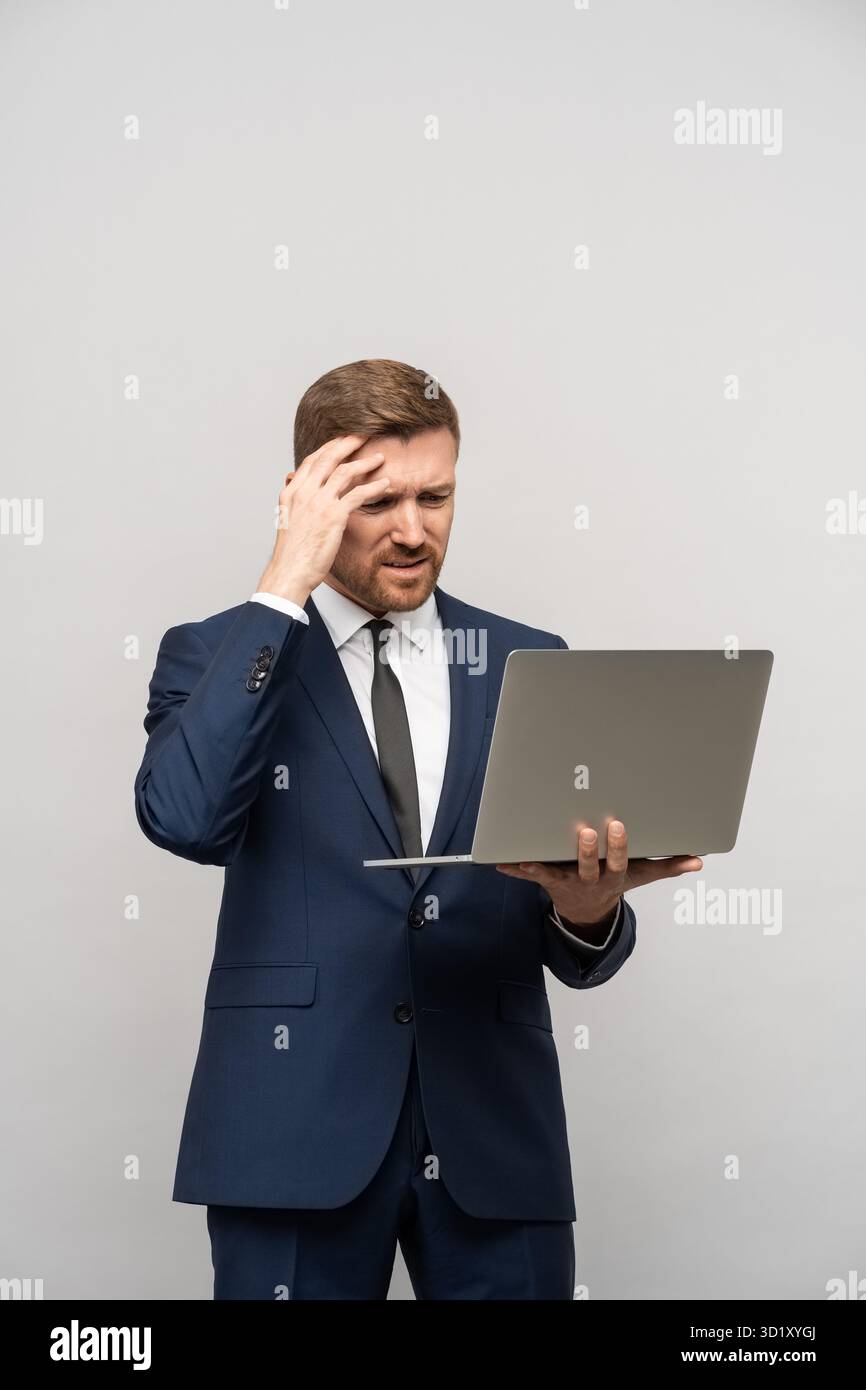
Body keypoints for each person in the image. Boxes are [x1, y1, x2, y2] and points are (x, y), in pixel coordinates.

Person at [134, 358, 701, 1299]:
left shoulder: (531, 661)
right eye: (377, 501)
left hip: (494, 1137)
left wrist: (588, 909)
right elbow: (185, 818)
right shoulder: (217, 652)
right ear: (309, 499)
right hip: (291, 1135)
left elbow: (581, 947)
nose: (412, 531)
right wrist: (284, 584)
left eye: (435, 497)